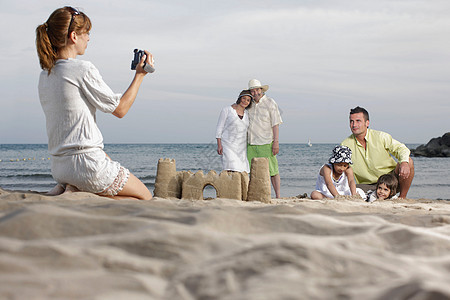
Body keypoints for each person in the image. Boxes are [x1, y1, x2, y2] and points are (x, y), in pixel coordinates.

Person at [36, 6, 153, 200]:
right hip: (85, 165)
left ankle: (75, 190)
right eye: (86, 33)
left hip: (60, 167)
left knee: (108, 171)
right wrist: (140, 75)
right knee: (145, 198)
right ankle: (81, 191)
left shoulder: (45, 75)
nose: (88, 38)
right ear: (74, 36)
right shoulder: (81, 69)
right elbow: (120, 109)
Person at [341, 106, 414, 198]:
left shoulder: (381, 136)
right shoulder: (345, 145)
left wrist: (404, 162)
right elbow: (340, 168)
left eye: (358, 121)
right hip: (366, 185)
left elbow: (401, 149)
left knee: (408, 161)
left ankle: (402, 198)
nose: (354, 125)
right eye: (351, 121)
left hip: (390, 181)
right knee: (350, 194)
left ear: (367, 123)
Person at [246, 79, 283, 198]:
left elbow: (275, 123)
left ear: (261, 90)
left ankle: (278, 196)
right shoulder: (249, 104)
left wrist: (276, 142)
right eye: (252, 90)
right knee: (252, 171)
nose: (255, 92)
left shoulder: (270, 103)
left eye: (257, 89)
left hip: (266, 142)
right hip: (250, 143)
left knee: (273, 171)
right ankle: (254, 195)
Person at [216, 90, 252, 173]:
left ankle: (239, 186)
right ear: (240, 98)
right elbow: (219, 127)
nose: (245, 101)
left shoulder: (247, 114)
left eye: (248, 100)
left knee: (241, 171)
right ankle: (226, 186)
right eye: (244, 98)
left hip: (241, 148)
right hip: (228, 144)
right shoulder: (227, 110)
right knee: (230, 168)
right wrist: (219, 145)